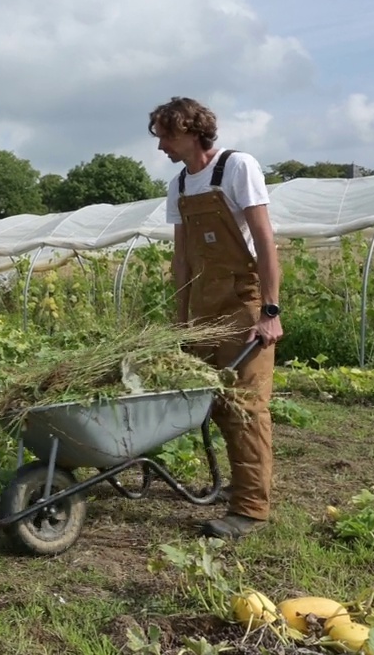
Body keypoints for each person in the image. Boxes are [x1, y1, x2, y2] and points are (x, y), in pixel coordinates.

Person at [149, 96, 284, 540]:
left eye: (166, 136)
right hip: (204, 307)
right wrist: (182, 320)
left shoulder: (236, 167)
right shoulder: (181, 185)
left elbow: (264, 241)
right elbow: (183, 259)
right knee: (217, 407)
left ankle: (249, 509)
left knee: (245, 407)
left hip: (244, 303)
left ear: (190, 131)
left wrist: (269, 311)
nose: (161, 146)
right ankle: (236, 490)